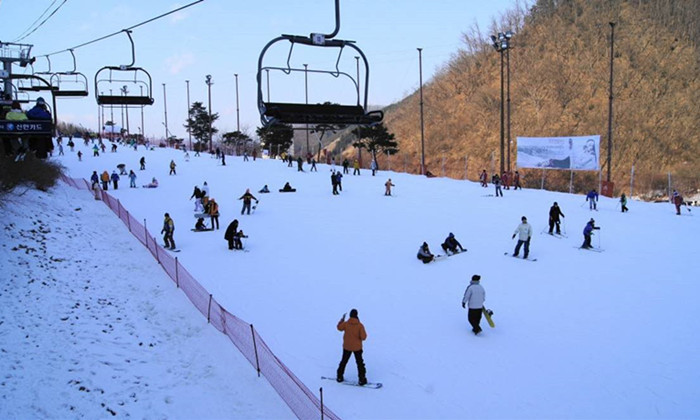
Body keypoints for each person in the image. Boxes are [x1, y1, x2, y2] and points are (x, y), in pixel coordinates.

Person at [336, 309, 368, 386]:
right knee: (360, 363)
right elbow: (363, 337)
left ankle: (339, 377)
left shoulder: (346, 324)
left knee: (343, 361)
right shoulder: (360, 325)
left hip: (347, 347)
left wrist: (342, 320)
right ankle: (362, 379)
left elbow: (339, 328)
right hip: (357, 348)